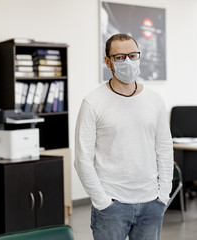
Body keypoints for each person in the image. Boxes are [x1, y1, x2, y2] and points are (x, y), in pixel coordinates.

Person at [74, 33, 173, 240]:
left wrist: (162, 195)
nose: (128, 61)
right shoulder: (93, 102)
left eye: (133, 55)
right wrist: (102, 201)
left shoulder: (154, 100)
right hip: (112, 205)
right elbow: (82, 159)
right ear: (107, 61)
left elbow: (164, 149)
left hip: (151, 203)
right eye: (119, 57)